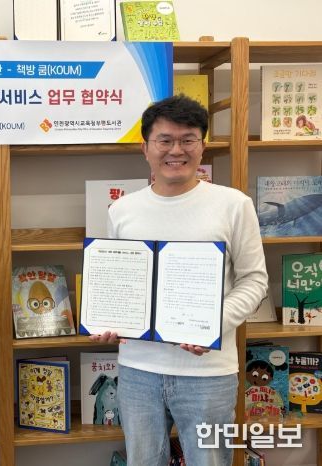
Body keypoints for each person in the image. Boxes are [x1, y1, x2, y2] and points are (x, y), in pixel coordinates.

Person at [90, 95, 268, 466]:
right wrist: (108, 321)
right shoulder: (122, 210)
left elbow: (254, 281)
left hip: (208, 374)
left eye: (188, 140)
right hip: (138, 370)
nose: (176, 150)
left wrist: (212, 325)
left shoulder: (234, 205)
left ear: (202, 145)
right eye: (165, 140)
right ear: (145, 148)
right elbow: (120, 283)